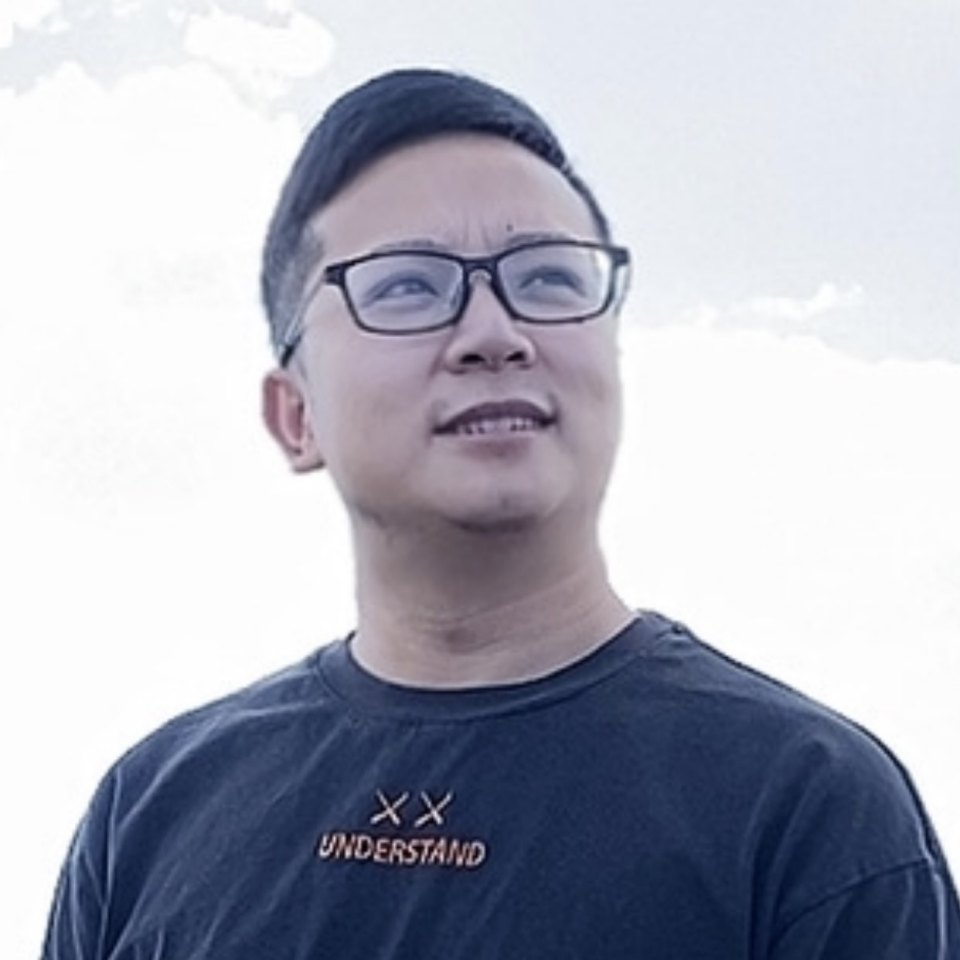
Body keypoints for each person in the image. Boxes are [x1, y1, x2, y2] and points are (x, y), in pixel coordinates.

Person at [43, 67, 959, 959]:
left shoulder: (811, 811)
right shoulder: (151, 810)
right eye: (407, 284)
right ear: (296, 414)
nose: (494, 334)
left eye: (549, 279)